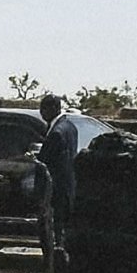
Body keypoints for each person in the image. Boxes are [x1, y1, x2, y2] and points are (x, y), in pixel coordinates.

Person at [37, 95, 79, 248]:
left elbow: (47, 161)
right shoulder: (70, 126)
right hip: (67, 187)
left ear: (53, 108)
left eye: (43, 109)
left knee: (52, 231)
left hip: (55, 189)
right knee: (61, 230)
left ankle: (53, 268)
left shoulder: (57, 132)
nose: (42, 113)